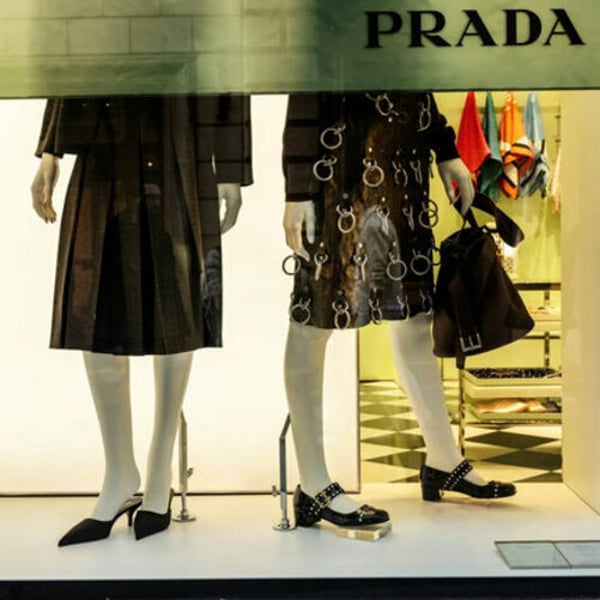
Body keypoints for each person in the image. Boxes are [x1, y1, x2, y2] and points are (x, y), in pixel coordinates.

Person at [281, 92, 516, 528]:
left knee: (414, 319)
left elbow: (413, 76)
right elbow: (305, 89)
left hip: (403, 175)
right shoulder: (325, 41)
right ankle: (313, 483)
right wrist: (297, 189)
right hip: (337, 175)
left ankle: (443, 459)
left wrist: (445, 148)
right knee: (314, 320)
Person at [31, 96, 252, 544]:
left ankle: (159, 467)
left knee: (178, 307)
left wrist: (231, 166)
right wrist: (51, 151)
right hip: (104, 138)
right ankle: (119, 471)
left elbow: (229, 69)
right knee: (96, 308)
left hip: (182, 137)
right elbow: (70, 55)